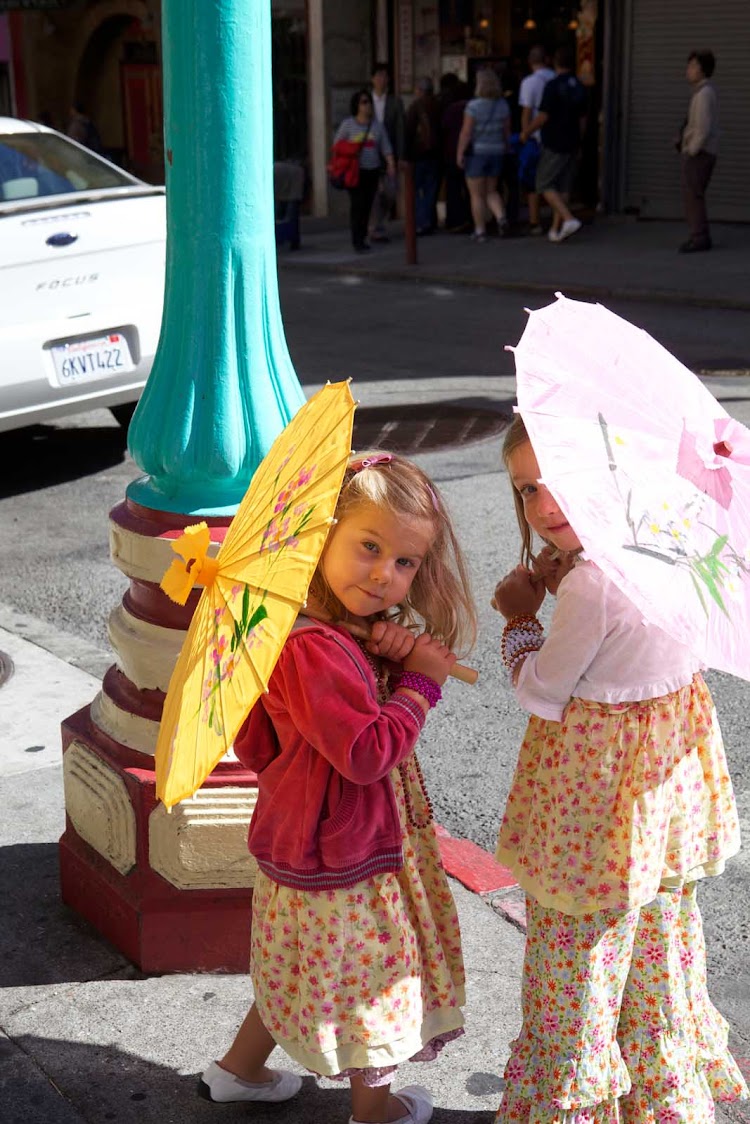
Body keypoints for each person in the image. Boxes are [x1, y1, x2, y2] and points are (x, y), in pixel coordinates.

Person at [200, 451, 477, 1124]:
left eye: (405, 562)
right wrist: (418, 685)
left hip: (305, 844)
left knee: (300, 964)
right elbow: (364, 752)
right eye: (369, 547)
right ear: (322, 536)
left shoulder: (303, 634)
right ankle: (373, 1111)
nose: (385, 574)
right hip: (346, 856)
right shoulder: (316, 649)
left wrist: (376, 658)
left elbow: (260, 744)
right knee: (371, 981)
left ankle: (238, 1071)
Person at [490, 413, 749, 1121]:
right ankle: (663, 1099)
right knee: (659, 944)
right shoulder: (670, 539)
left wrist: (519, 619)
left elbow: (540, 689)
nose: (544, 506)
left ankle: (573, 1103)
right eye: (526, 490)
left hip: (593, 815)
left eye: (560, 480)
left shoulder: (592, 585)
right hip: (664, 801)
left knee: (577, 958)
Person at [521, 45, 586, 243]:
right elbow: (583, 118)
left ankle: (567, 219)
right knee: (563, 186)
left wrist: (526, 132)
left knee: (544, 183)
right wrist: (579, 140)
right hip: (572, 141)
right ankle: (556, 229)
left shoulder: (553, 85)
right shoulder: (579, 86)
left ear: (555, 62)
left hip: (554, 141)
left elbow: (543, 116)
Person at [334, 90, 395, 253]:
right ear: (356, 105)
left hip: (372, 170)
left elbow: (386, 147)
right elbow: (337, 145)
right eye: (363, 102)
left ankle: (363, 236)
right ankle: (357, 240)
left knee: (368, 205)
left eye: (368, 101)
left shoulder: (377, 126)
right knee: (357, 205)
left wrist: (390, 164)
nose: (367, 105)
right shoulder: (348, 125)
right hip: (355, 172)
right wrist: (351, 150)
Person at [456, 67, 511, 243]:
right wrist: (506, 148)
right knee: (492, 191)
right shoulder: (503, 105)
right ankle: (501, 217)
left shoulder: (473, 106)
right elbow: (506, 132)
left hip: (477, 152)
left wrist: (459, 153)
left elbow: (466, 132)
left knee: (476, 195)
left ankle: (480, 230)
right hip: (497, 151)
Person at [679, 49, 718, 254]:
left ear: (702, 70)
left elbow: (702, 128)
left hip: (699, 154)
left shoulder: (703, 95)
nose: (689, 70)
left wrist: (691, 150)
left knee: (693, 196)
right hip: (701, 153)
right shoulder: (703, 92)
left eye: (693, 66)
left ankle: (699, 237)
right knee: (694, 195)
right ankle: (700, 235)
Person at [517, 46, 555, 234]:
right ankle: (558, 220)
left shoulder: (529, 82)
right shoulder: (556, 78)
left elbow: (527, 111)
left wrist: (525, 133)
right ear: (547, 60)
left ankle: (535, 221)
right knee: (555, 180)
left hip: (537, 137)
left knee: (532, 181)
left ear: (529, 62)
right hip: (558, 136)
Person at [369, 62, 405, 244]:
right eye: (378, 76)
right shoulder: (365, 100)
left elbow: (400, 129)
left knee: (391, 192)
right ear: (372, 79)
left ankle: (379, 222)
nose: (382, 80)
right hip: (369, 154)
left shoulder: (394, 102)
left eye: (385, 76)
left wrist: (400, 155)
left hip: (389, 153)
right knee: (374, 193)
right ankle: (375, 227)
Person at [404, 77, 443, 235]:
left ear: (419, 90)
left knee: (418, 190)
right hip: (436, 153)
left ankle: (423, 222)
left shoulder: (416, 106)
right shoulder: (439, 105)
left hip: (419, 154)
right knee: (431, 190)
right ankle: (430, 221)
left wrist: (405, 154)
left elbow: (408, 131)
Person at [438, 74, 472, 233]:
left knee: (453, 188)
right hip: (470, 151)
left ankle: (454, 220)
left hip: (451, 151)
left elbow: (443, 129)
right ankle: (469, 217)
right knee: (469, 187)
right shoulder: (472, 107)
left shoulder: (450, 109)